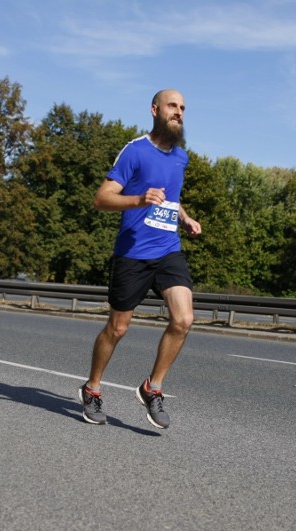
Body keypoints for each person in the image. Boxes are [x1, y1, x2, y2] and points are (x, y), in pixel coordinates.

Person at [79, 89, 202, 429]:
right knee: (117, 328)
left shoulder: (180, 158)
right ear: (155, 110)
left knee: (184, 318)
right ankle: (92, 388)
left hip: (167, 250)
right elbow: (102, 199)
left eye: (182, 108)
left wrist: (185, 218)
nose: (178, 113)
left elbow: (171, 199)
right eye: (172, 106)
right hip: (132, 253)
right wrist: (138, 200)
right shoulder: (135, 151)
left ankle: (153, 387)